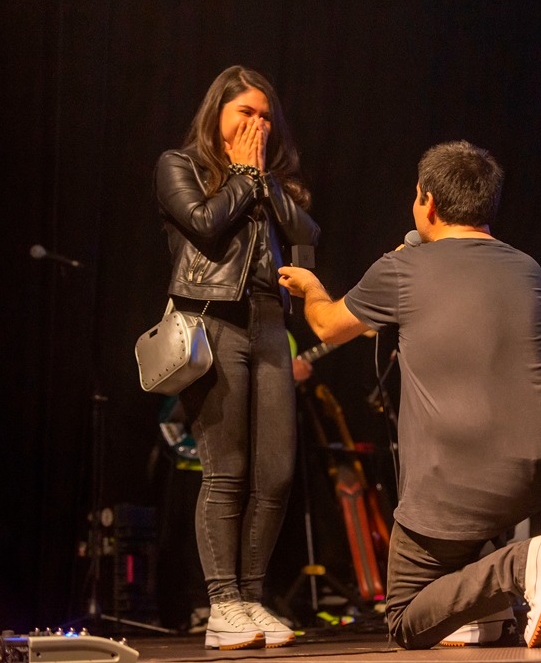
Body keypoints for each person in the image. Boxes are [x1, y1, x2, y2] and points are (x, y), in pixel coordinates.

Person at [278, 140, 541, 649]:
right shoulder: (529, 268)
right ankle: (491, 612)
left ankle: (518, 566)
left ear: (427, 202)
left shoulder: (402, 268)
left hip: (462, 476)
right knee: (474, 528)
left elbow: (329, 328)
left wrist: (311, 289)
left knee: (402, 618)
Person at [153, 65, 320, 650]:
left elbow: (306, 232)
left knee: (274, 473)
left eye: (265, 115)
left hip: (270, 326)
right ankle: (222, 602)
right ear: (217, 115)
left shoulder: (275, 185)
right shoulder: (180, 167)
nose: (257, 123)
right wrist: (245, 177)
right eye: (245, 112)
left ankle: (250, 598)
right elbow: (203, 227)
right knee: (227, 472)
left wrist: (263, 182)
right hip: (213, 322)